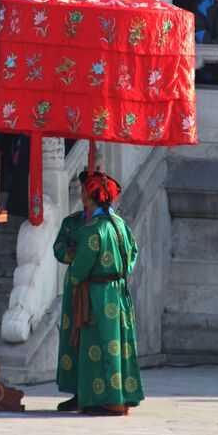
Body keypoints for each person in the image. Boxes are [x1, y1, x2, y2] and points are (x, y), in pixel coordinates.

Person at [53, 171, 144, 416]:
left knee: (100, 344)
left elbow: (81, 265)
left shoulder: (95, 228)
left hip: (95, 294)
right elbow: (133, 253)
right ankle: (112, 397)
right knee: (116, 344)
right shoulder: (120, 224)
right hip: (116, 291)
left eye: (85, 190)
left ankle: (109, 400)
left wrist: (76, 278)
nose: (81, 193)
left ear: (92, 196)